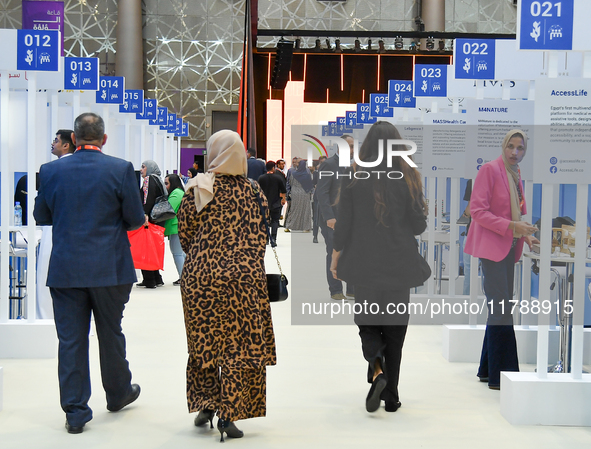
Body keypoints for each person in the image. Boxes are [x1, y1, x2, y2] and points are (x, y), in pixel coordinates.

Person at [33, 112, 145, 434]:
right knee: (111, 333)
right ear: (104, 139)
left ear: (75, 139)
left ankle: (76, 412)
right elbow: (136, 219)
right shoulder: (121, 169)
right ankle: (118, 392)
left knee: (70, 340)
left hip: (67, 268)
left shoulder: (51, 171)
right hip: (110, 267)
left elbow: (42, 215)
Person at [177, 129, 276, 442]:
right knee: (239, 348)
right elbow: (262, 235)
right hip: (244, 282)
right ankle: (229, 414)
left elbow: (185, 234)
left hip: (201, 280)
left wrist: (206, 258)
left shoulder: (198, 187)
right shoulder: (253, 191)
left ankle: (206, 402)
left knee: (204, 343)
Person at [330, 121, 429, 414]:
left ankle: (377, 372)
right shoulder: (409, 177)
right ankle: (392, 396)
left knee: (368, 323)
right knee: (395, 331)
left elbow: (343, 225)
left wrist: (336, 256)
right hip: (399, 265)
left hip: (364, 266)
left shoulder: (354, 176)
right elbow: (418, 226)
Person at [464, 129, 538, 390]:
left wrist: (526, 236)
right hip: (492, 248)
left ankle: (487, 369)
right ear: (503, 146)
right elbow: (477, 211)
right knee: (501, 308)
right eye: (511, 147)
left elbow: (519, 214)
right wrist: (512, 228)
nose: (515, 152)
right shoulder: (490, 170)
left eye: (520, 148)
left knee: (501, 306)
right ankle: (501, 373)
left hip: (510, 248)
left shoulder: (516, 176)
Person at [36, 129, 75, 319]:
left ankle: (47, 315)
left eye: (56, 140)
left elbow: (40, 213)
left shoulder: (50, 170)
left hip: (55, 231)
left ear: (66, 144)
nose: (53, 143)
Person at [317, 135, 354, 300]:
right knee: (334, 252)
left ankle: (352, 288)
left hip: (351, 219)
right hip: (333, 219)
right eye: (350, 146)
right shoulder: (329, 164)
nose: (353, 150)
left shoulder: (354, 166)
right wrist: (329, 217)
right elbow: (322, 192)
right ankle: (336, 290)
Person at [138, 160, 166, 288]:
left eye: (143, 167)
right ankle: (156, 277)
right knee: (153, 248)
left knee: (145, 248)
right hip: (158, 220)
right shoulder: (159, 180)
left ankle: (149, 279)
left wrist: (144, 214)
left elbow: (147, 199)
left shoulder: (149, 179)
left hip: (148, 220)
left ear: (149, 168)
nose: (141, 170)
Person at [164, 173, 186, 285]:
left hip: (175, 227)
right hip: (178, 226)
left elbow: (168, 209)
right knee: (181, 253)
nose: (165, 186)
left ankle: (183, 277)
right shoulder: (179, 192)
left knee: (177, 253)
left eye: (167, 183)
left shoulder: (176, 193)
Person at [258, 160, 286, 244]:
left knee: (265, 221)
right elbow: (283, 190)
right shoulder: (278, 178)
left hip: (264, 203)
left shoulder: (261, 178)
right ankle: (273, 238)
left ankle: (266, 238)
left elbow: (258, 190)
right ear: (273, 168)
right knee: (275, 221)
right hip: (276, 202)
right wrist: (283, 199)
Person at [284, 160, 313, 232]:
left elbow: (290, 182)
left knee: (293, 210)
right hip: (304, 193)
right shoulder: (307, 174)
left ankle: (288, 226)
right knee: (305, 210)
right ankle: (305, 228)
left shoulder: (293, 173)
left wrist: (289, 192)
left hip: (295, 193)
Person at [311, 155, 327, 243]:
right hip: (318, 197)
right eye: (321, 162)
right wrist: (315, 186)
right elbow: (313, 182)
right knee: (316, 218)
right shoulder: (317, 173)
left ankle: (326, 235)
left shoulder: (331, 172)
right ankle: (315, 236)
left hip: (328, 197)